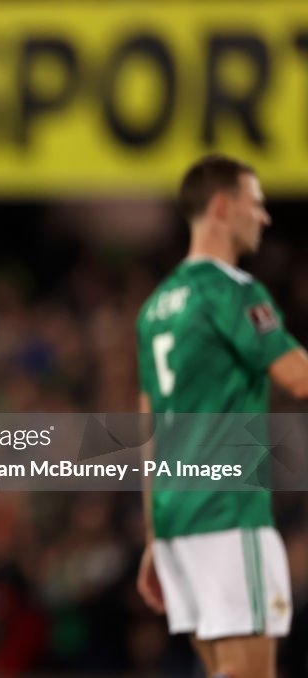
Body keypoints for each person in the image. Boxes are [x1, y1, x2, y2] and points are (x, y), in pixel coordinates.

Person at [135, 154, 308, 678]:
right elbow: (297, 377)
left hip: (176, 523)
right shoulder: (232, 291)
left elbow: (148, 433)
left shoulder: (155, 308)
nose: (265, 218)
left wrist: (153, 537)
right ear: (222, 207)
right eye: (256, 205)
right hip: (228, 516)